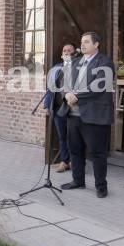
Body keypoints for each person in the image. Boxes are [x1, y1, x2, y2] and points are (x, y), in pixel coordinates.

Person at [60, 32, 116, 198]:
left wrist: (75, 95)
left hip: (95, 116)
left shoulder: (105, 62)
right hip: (73, 115)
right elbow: (65, 82)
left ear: (96, 44)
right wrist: (66, 94)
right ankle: (78, 181)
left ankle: (101, 186)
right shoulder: (75, 62)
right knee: (75, 151)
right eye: (81, 42)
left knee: (97, 152)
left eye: (86, 42)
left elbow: (100, 85)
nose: (82, 45)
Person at [43, 44, 75, 173]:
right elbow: (50, 89)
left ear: (74, 53)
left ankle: (74, 161)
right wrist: (47, 105)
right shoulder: (56, 68)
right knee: (62, 136)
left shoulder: (78, 68)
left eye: (69, 50)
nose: (66, 52)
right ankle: (64, 161)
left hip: (71, 108)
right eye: (64, 50)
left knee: (73, 136)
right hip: (57, 107)